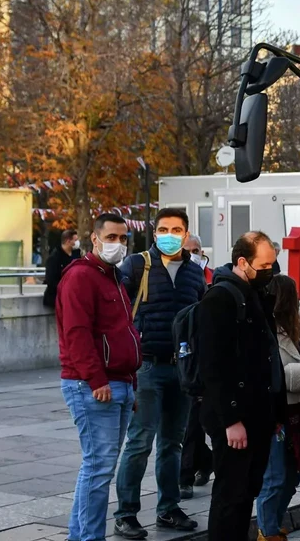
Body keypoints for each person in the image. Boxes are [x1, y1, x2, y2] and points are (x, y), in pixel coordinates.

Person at [112, 209, 206, 538]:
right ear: (154, 233)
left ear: (186, 233)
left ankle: (168, 508)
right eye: (163, 229)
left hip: (181, 368)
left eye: (176, 229)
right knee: (139, 443)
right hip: (147, 367)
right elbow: (115, 309)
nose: (169, 234)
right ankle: (125, 513)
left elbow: (201, 320)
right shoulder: (137, 265)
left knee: (172, 445)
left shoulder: (196, 273)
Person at [57, 214, 140, 541]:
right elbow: (77, 334)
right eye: (111, 237)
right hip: (93, 384)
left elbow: (124, 331)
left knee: (98, 468)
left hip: (118, 382)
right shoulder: (81, 277)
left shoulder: (112, 277)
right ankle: (89, 538)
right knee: (98, 468)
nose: (117, 244)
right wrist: (97, 381)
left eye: (123, 238)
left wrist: (129, 384)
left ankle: (81, 537)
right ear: (94, 238)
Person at [199, 231, 285, 541]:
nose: (271, 272)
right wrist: (231, 420)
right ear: (242, 262)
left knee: (248, 489)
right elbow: (213, 366)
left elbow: (267, 358)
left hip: (259, 413)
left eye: (273, 265)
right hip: (234, 417)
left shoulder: (257, 295)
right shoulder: (220, 298)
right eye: (264, 265)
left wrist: (275, 413)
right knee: (230, 494)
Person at [256, 275, 300, 541]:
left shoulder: (296, 330)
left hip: (296, 411)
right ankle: (268, 531)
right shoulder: (265, 329)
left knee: (293, 475)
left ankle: (273, 523)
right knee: (274, 477)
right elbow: (262, 374)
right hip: (274, 412)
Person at [178, 232, 213, 499]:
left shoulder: (211, 278)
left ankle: (185, 476)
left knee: (193, 423)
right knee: (190, 423)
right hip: (179, 357)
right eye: (188, 250)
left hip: (201, 359)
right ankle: (205, 461)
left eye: (197, 250)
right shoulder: (176, 278)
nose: (194, 254)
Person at [44, 229, 83, 309]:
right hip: (57, 298)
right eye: (75, 240)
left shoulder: (76, 255)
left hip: (73, 297)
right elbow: (51, 280)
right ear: (68, 241)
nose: (77, 242)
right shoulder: (54, 258)